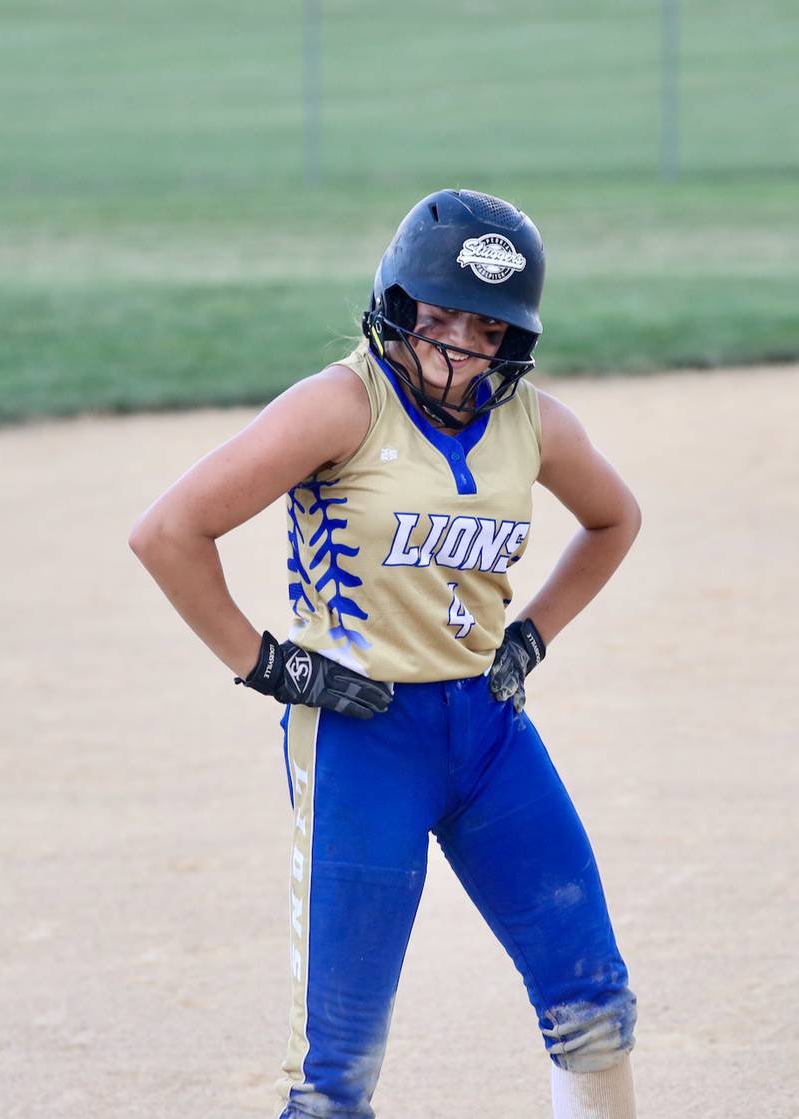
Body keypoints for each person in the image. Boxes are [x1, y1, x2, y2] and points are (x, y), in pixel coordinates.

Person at [130, 188, 642, 1119]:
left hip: (489, 736)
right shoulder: (341, 405)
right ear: (395, 305)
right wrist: (267, 664)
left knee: (595, 1007)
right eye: (436, 314)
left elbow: (615, 519)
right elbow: (169, 532)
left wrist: (532, 634)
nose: (455, 343)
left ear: (511, 342)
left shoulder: (531, 422)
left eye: (482, 328)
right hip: (364, 744)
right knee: (335, 1082)